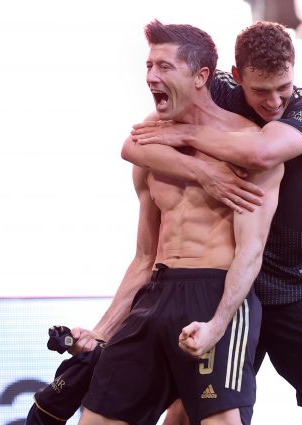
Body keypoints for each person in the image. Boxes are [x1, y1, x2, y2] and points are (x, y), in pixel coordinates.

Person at [125, 21, 302, 425]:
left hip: (295, 280)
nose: (274, 102)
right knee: (186, 411)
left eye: (283, 87)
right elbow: (135, 145)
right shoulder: (217, 90)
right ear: (237, 76)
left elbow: (261, 153)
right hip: (226, 283)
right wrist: (203, 172)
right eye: (261, 91)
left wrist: (188, 134)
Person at [74, 20, 283, 425]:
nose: (151, 76)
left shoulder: (249, 144)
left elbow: (251, 251)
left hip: (215, 291)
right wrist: (100, 332)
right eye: (149, 65)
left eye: (165, 67)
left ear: (201, 76)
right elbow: (143, 258)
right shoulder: (149, 145)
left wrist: (216, 325)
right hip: (156, 293)